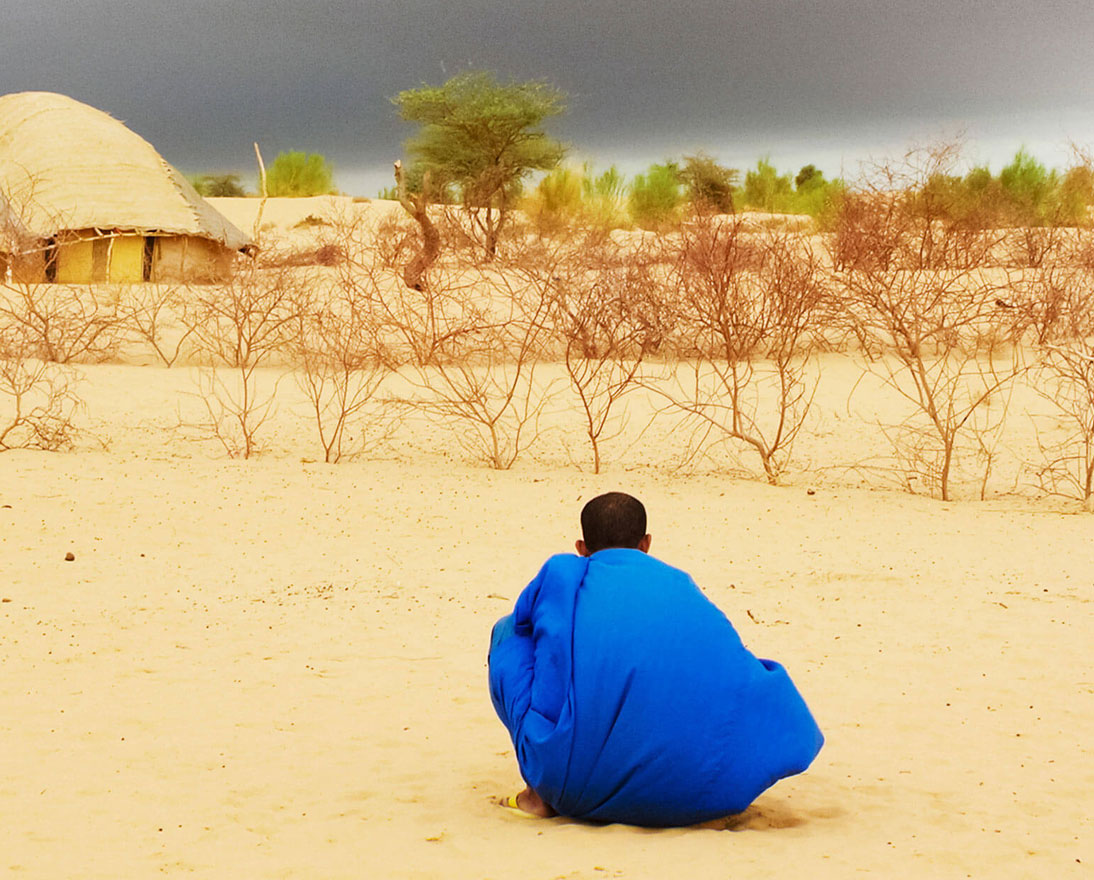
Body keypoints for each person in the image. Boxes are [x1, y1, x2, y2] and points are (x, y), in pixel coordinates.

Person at [488, 491, 824, 826]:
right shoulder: (680, 583)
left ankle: (537, 796)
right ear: (646, 543)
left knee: (507, 636)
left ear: (581, 548)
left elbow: (522, 622)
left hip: (572, 788)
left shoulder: (562, 574)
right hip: (704, 790)